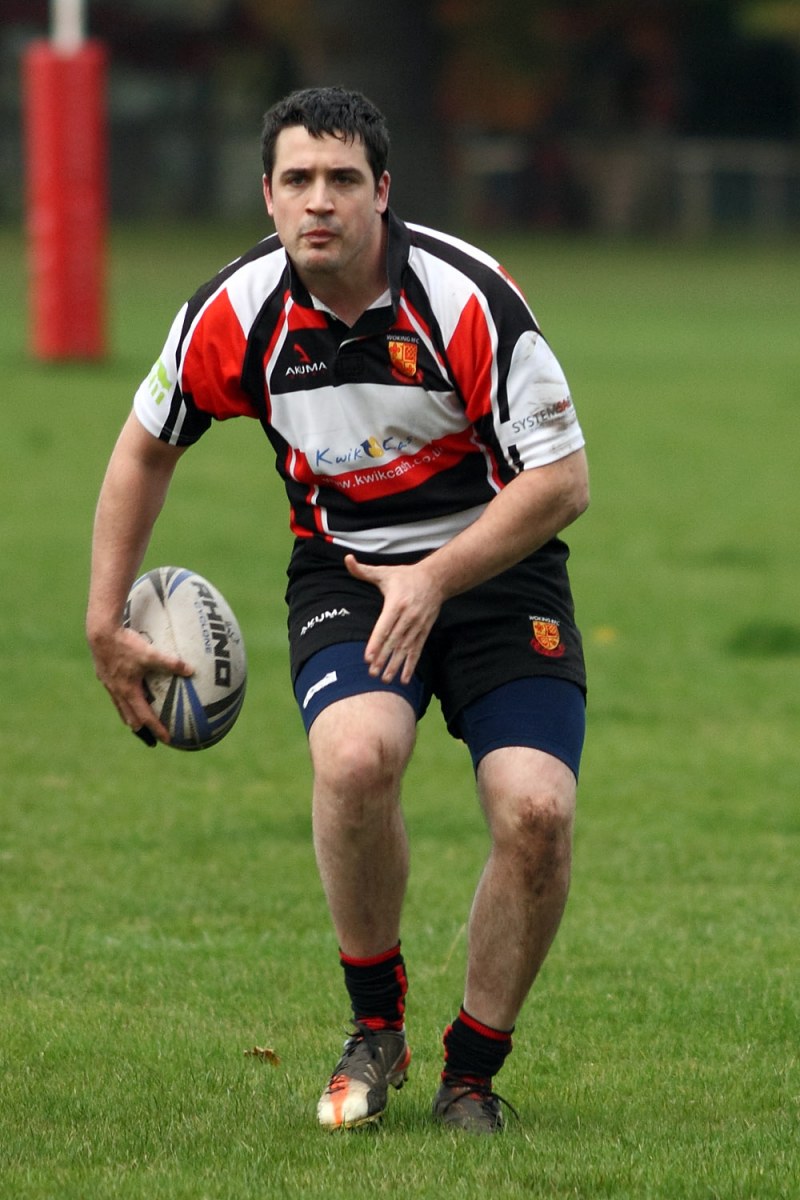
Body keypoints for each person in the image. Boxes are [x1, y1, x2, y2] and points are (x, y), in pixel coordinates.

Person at [87, 86, 589, 1135]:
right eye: (299, 180)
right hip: (346, 575)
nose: (320, 201)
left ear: (382, 192)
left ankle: (469, 1076)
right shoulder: (235, 311)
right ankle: (375, 1028)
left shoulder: (466, 297)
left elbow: (560, 482)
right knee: (356, 759)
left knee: (536, 814)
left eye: (343, 179)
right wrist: (104, 620)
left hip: (498, 571)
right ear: (267, 196)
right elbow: (144, 448)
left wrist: (437, 576)